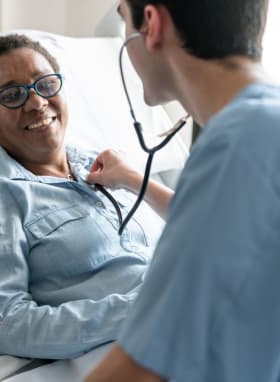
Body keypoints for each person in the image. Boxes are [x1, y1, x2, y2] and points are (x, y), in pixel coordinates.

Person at [86, 0, 280, 381]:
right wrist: (132, 178)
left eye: (125, 21)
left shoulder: (240, 141)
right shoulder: (262, 128)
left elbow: (138, 370)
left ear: (151, 24)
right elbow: (232, 236)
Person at [0, 34, 166, 359]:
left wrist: (132, 179)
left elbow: (196, 229)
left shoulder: (108, 165)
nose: (36, 102)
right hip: (149, 343)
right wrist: (146, 309)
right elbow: (8, 323)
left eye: (45, 85)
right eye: (13, 95)